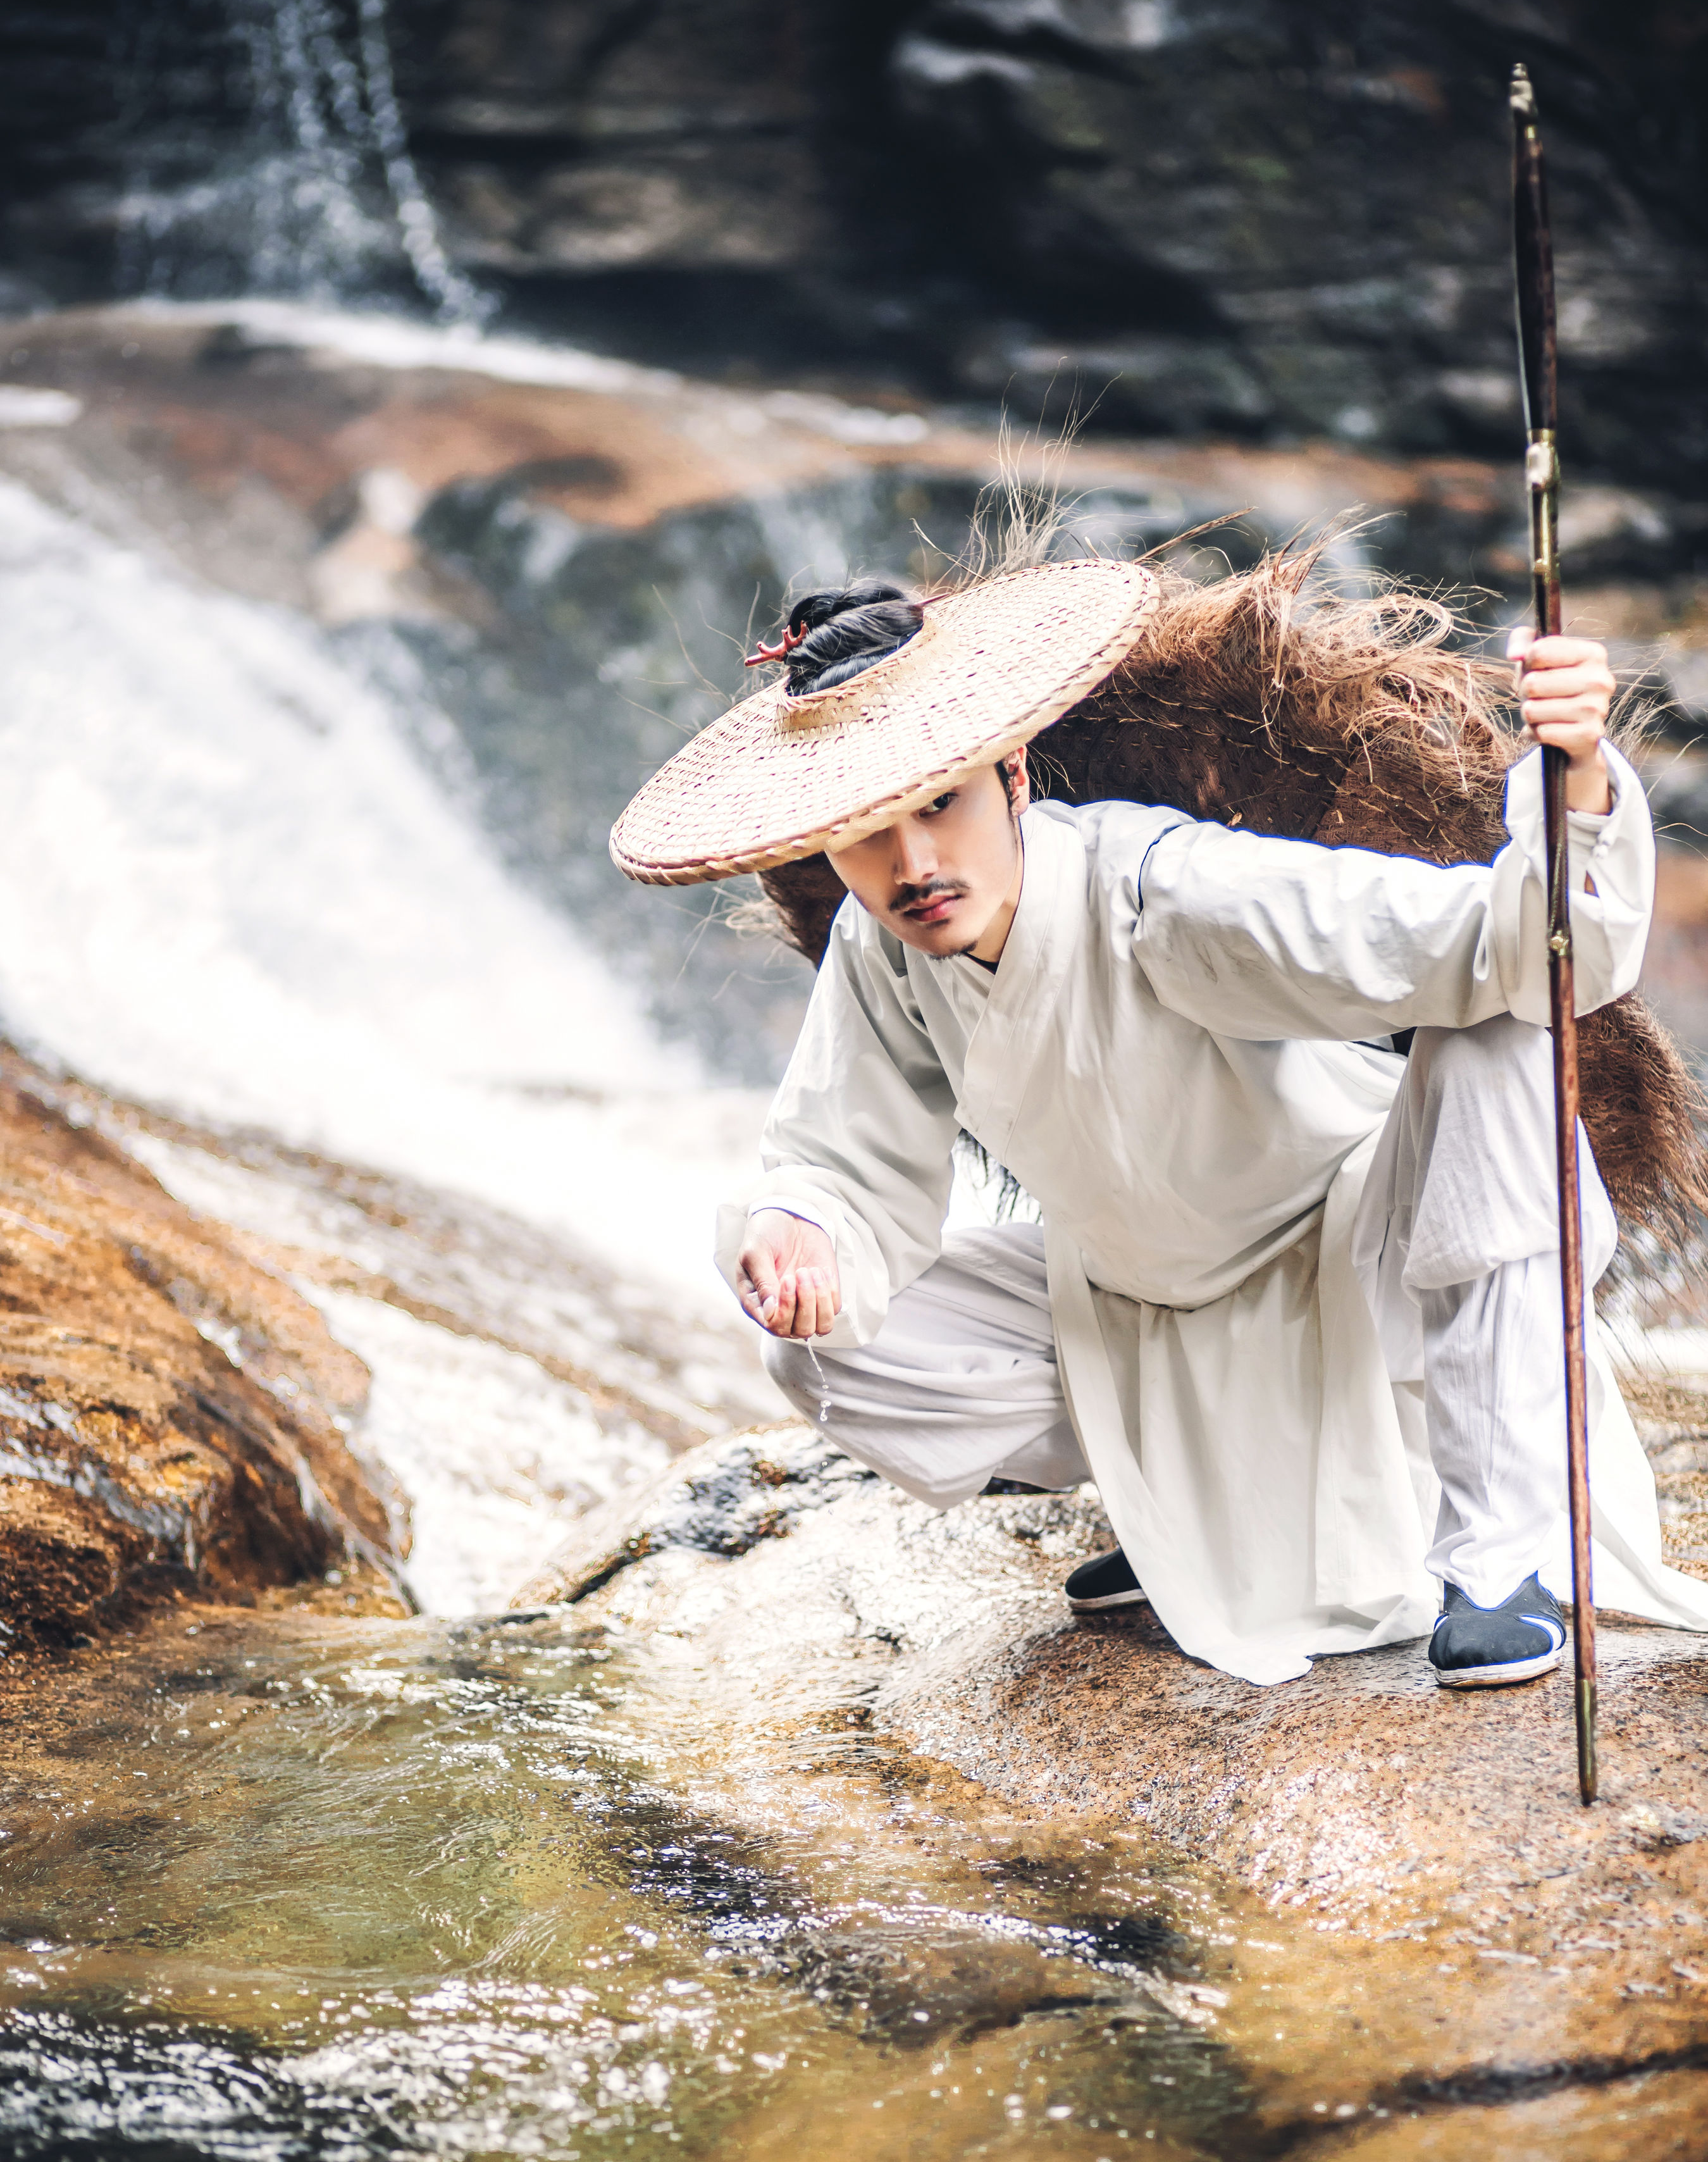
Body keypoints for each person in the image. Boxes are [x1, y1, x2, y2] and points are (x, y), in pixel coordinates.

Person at [609, 557, 1708, 1689]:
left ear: (1014, 774)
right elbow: (842, 1156)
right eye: (869, 830)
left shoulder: (1164, 893)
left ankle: (1500, 1555)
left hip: (1352, 1265)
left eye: (940, 802)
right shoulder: (880, 951)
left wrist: (1574, 775)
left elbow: (1511, 945)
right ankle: (1188, 1507)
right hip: (1135, 1312)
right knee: (830, 1347)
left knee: (1501, 1029)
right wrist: (805, 1231)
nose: (914, 864)